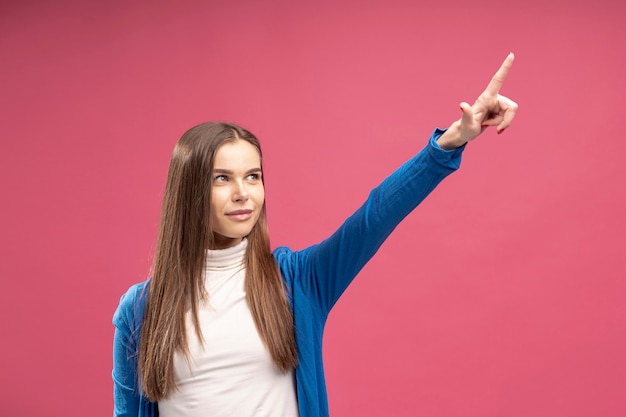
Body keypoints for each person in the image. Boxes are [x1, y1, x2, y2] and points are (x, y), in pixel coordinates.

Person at [113, 53, 518, 417]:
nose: (243, 193)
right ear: (189, 191)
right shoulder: (140, 309)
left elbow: (373, 218)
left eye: (253, 176)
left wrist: (451, 142)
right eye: (222, 178)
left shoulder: (296, 282)